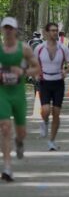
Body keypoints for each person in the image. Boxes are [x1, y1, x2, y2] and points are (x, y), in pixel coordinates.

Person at [0, 17, 40, 182]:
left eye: (11, 28)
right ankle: (7, 166)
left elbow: (37, 68)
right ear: (2, 30)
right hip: (2, 93)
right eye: (5, 28)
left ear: (16, 30)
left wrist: (22, 72)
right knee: (5, 128)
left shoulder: (24, 49)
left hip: (18, 94)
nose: (8, 31)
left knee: (21, 132)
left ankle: (19, 141)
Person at [35, 23, 69, 150]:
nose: (54, 33)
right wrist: (37, 73)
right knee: (46, 110)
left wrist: (66, 71)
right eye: (52, 31)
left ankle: (52, 140)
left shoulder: (63, 48)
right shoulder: (40, 48)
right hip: (45, 82)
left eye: (56, 30)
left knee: (56, 113)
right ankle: (44, 121)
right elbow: (33, 63)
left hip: (58, 82)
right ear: (46, 33)